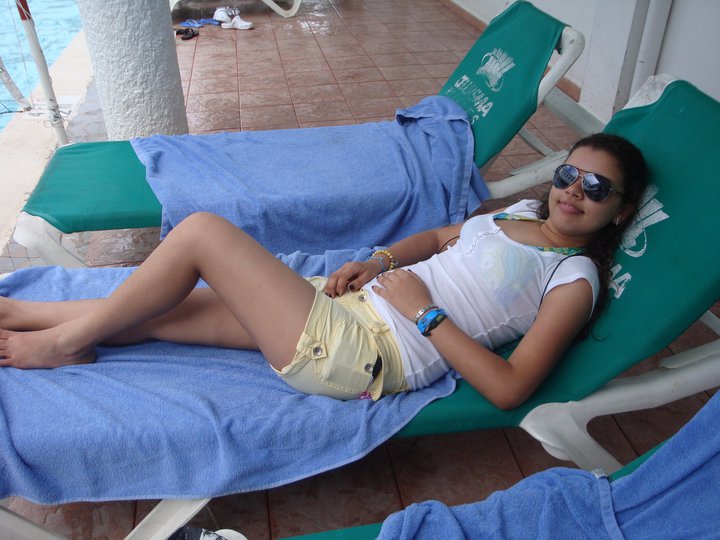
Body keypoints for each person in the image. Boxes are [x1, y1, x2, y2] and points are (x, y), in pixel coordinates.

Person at [0, 133, 648, 410]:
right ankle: (27, 314)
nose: (574, 190)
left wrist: (424, 311)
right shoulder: (523, 212)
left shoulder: (572, 279)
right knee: (167, 312)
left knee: (201, 234)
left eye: (596, 187)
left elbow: (510, 388)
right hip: (347, 309)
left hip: (366, 352)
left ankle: (64, 343)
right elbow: (439, 236)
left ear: (619, 212)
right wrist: (379, 261)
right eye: (569, 172)